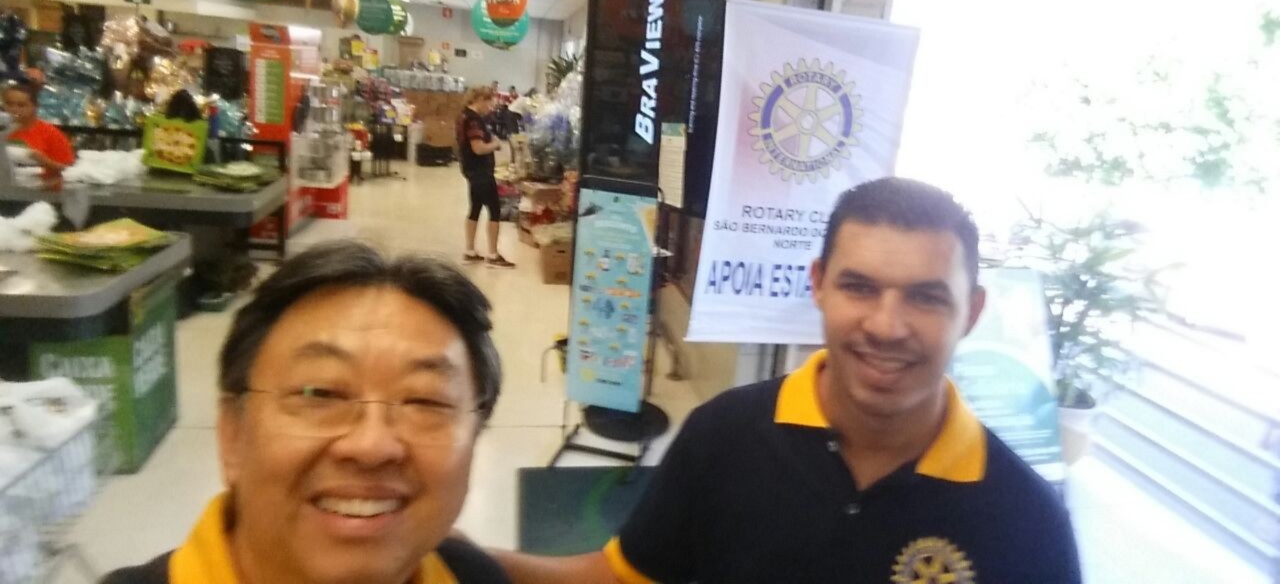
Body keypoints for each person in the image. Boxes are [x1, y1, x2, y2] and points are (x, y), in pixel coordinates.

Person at [492, 177, 1082, 583]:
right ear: (818, 283)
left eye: (926, 297)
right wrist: (463, 561)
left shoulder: (1027, 522)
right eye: (859, 287)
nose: (886, 326)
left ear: (972, 312)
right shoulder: (724, 435)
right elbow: (625, 576)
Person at [103, 240, 511, 584]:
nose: (372, 446)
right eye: (321, 393)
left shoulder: (472, 575)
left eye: (425, 401)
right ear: (233, 434)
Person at [457, 86, 515, 269]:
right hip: (481, 171)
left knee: (475, 208)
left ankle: (470, 250)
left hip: (471, 170)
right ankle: (493, 254)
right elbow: (478, 148)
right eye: (489, 102)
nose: (490, 107)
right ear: (480, 99)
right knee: (495, 210)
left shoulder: (463, 116)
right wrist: (495, 145)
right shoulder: (474, 120)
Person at [3, 81, 74, 174]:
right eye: (9, 104)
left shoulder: (52, 134)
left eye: (21, 105)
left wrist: (45, 162)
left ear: (35, 107)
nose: (14, 109)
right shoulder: (2, 129)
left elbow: (70, 173)